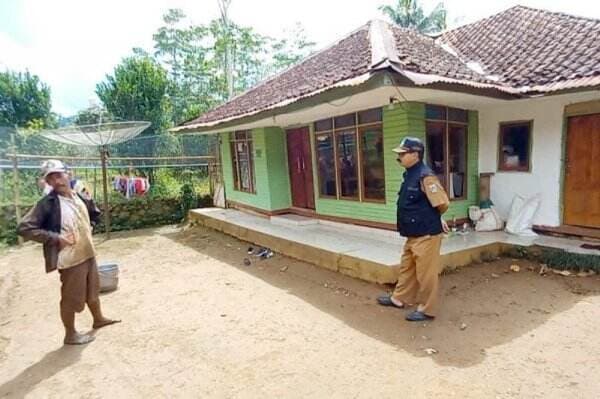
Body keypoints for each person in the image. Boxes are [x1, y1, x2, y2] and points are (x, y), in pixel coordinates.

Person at [17, 159, 120, 345]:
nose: (57, 181)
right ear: (48, 183)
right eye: (51, 178)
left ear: (68, 174)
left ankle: (98, 318)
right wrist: (57, 239)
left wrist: (91, 225)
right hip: (70, 259)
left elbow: (93, 212)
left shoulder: (79, 194)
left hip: (87, 251)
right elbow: (25, 228)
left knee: (93, 289)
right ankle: (70, 334)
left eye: (59, 175)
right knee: (71, 296)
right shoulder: (47, 203)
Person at [377, 137, 450, 322]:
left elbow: (441, 202)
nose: (399, 157)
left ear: (415, 154)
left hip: (426, 234)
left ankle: (427, 309)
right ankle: (399, 298)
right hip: (413, 233)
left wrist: (436, 218)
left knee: (426, 275)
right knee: (407, 268)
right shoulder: (410, 174)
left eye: (403, 153)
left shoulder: (426, 176)